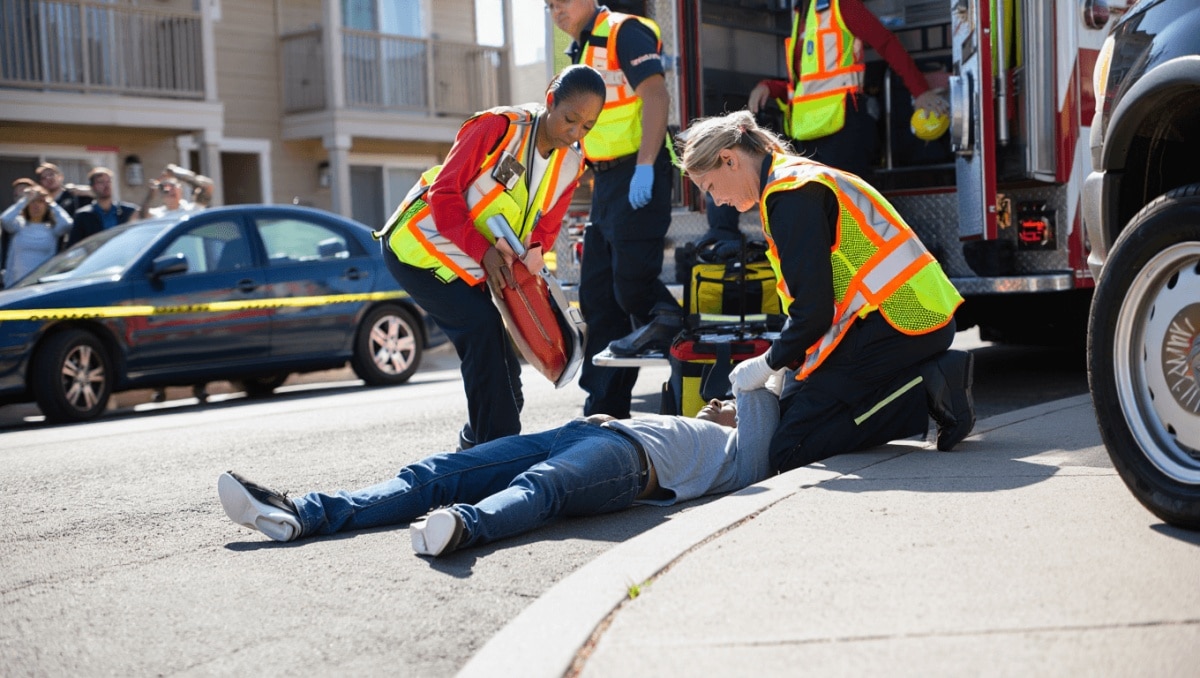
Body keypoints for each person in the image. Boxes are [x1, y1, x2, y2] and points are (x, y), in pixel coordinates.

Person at [677, 111, 974, 475]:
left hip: (901, 321)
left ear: (729, 159)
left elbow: (813, 312)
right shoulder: (789, 182)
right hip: (897, 317)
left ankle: (926, 388)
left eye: (709, 188)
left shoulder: (790, 194)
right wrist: (788, 368)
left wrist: (768, 363)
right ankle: (923, 384)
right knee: (793, 420)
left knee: (789, 449)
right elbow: (821, 303)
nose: (716, 201)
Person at [217, 386, 778, 557]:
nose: (717, 401)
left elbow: (765, 392)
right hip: (584, 431)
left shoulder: (738, 453)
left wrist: (761, 383)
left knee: (543, 489)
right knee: (441, 469)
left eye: (728, 398)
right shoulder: (699, 425)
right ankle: (302, 513)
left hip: (628, 463)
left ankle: (463, 526)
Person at [378, 65, 606, 450]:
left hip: (475, 265)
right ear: (551, 99)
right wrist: (484, 252)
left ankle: (475, 446)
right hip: (416, 250)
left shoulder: (571, 165)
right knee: (481, 331)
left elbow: (543, 233)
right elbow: (444, 194)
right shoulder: (497, 128)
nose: (575, 133)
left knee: (506, 384)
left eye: (587, 126)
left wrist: (528, 270)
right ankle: (492, 459)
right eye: (570, 119)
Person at [545, 0, 682, 416]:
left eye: (562, 1)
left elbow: (656, 96)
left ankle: (680, 339)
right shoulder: (579, 51)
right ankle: (604, 405)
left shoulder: (625, 32)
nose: (556, 11)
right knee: (599, 296)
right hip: (606, 182)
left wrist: (644, 168)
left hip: (638, 173)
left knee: (632, 283)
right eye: (549, 5)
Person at [746, 0, 949, 180]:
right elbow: (805, 88)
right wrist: (769, 87)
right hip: (807, 134)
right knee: (822, 214)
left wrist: (920, 91)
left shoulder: (843, 4)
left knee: (847, 209)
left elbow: (886, 42)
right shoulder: (800, 13)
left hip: (843, 127)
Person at [1, 184, 73, 287]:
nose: (36, 206)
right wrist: (24, 200)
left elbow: (67, 224)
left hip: (42, 284)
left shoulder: (52, 229)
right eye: (32, 202)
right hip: (16, 284)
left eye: (40, 202)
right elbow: (5, 219)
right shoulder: (19, 225)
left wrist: (52, 203)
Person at [67, 167, 140, 246]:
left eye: (108, 181)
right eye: (101, 182)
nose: (106, 185)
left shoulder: (128, 211)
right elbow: (74, 246)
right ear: (93, 187)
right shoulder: (83, 215)